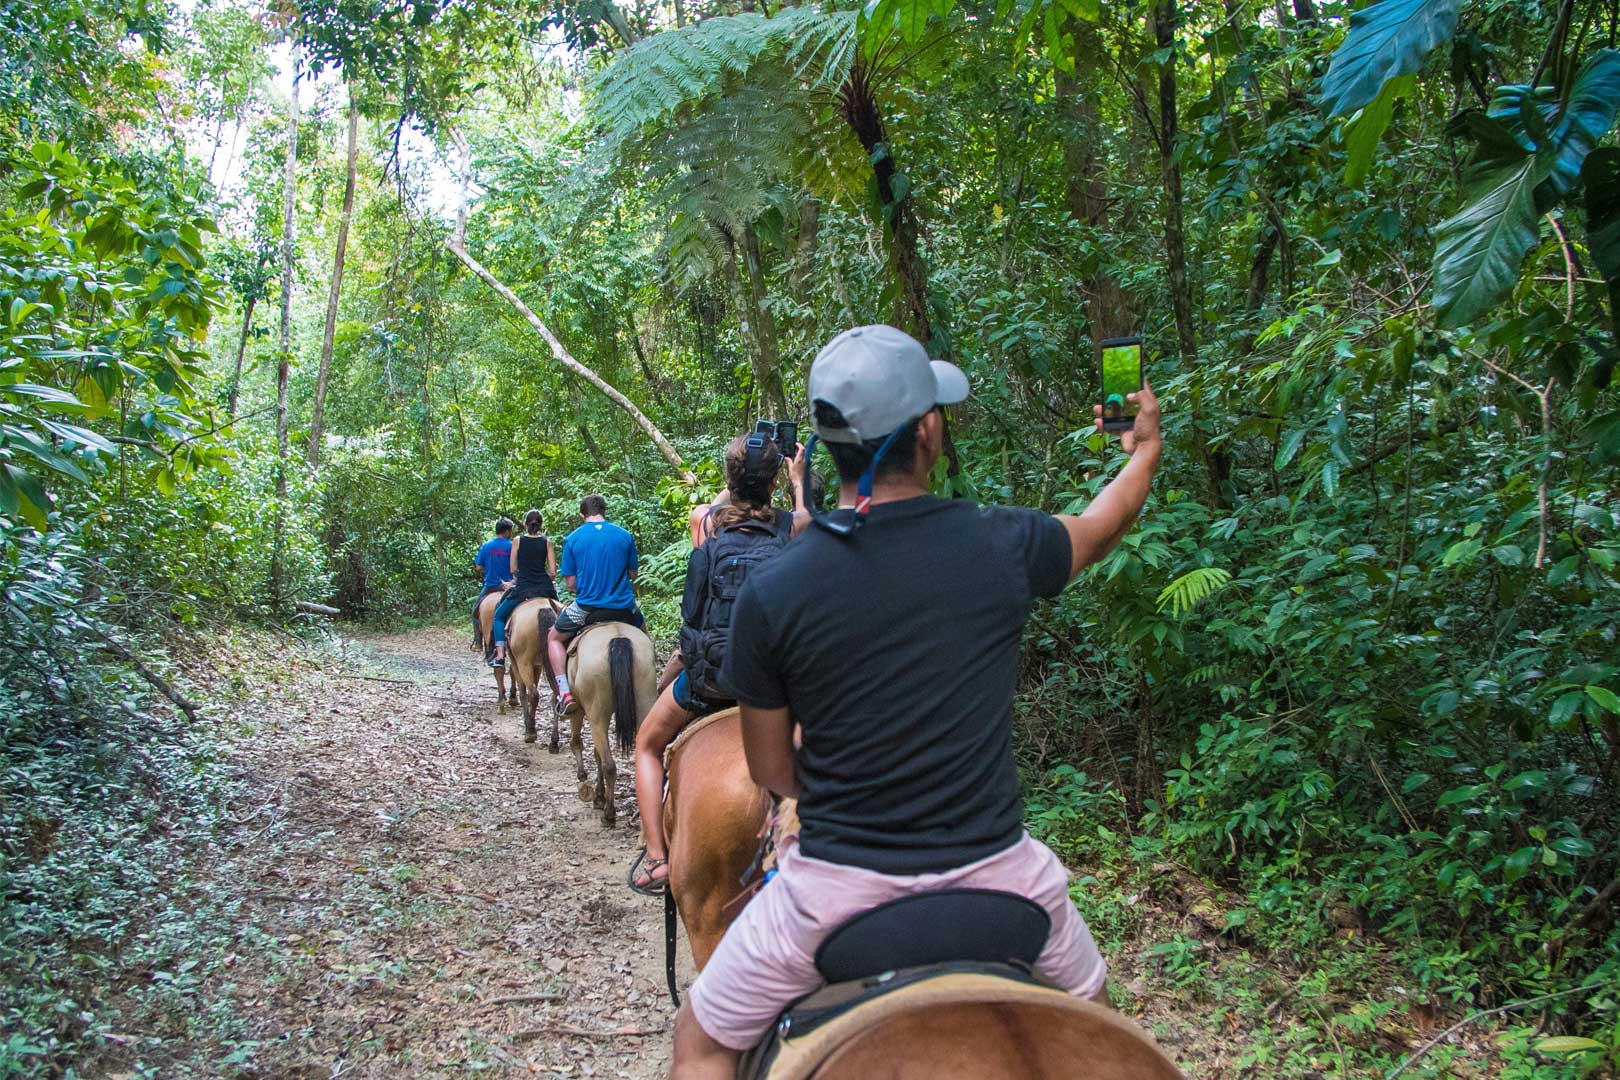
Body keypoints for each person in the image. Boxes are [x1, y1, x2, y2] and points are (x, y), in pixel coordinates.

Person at [668, 325, 1164, 1077]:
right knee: (1102, 1029)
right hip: (1009, 879)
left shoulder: (777, 590)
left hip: (835, 895)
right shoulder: (1003, 542)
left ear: (824, 450)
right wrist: (1145, 449)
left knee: (699, 1040)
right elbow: (1099, 526)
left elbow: (770, 769)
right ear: (928, 429)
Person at [628, 433, 809, 894]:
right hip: (777, 685)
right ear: (775, 481)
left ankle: (655, 858)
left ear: (729, 480)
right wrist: (797, 481)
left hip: (709, 679)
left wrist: (739, 477)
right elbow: (804, 515)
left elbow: (716, 507)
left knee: (647, 745)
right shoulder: (796, 526)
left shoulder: (705, 524)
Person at [547, 495, 643, 714]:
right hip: (625, 608)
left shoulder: (573, 539)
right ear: (604, 511)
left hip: (587, 609)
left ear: (582, 515)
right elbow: (633, 573)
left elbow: (571, 584)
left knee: (553, 637)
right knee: (644, 636)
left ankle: (564, 692)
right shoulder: (625, 536)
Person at [490, 510, 558, 668]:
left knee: (499, 616)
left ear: (526, 524)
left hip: (523, 588)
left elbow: (513, 568)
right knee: (562, 615)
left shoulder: (517, 540)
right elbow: (553, 572)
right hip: (545, 589)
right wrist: (546, 577)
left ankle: (500, 656)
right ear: (541, 525)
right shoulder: (547, 542)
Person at [472, 518, 515, 650]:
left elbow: (478, 567)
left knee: (474, 611)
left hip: (490, 586)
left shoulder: (486, 546)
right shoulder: (512, 545)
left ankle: (478, 642)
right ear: (507, 531)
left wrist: (489, 569)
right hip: (509, 586)